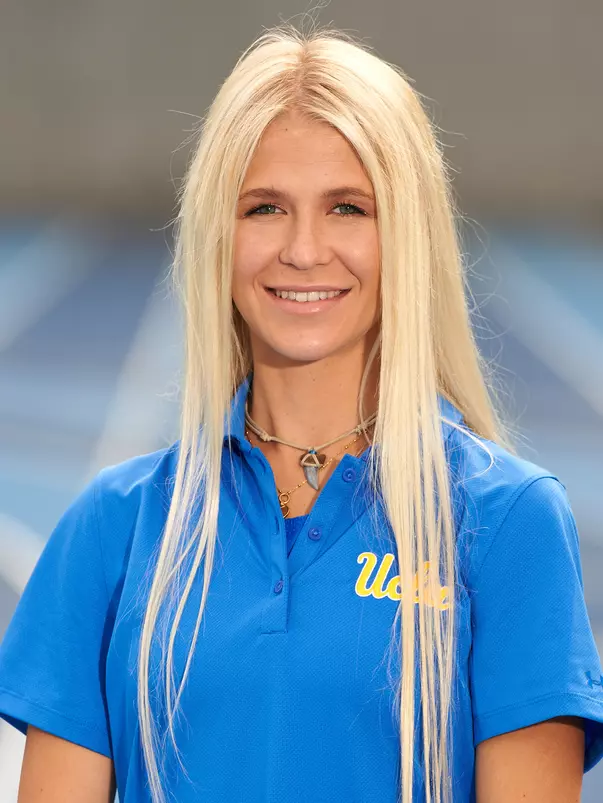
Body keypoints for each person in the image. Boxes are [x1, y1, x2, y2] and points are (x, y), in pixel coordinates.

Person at [0, 22, 602, 803]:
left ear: (405, 234)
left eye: (348, 207)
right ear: (221, 233)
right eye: (265, 208)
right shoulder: (112, 527)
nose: (304, 249)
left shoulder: (507, 522)